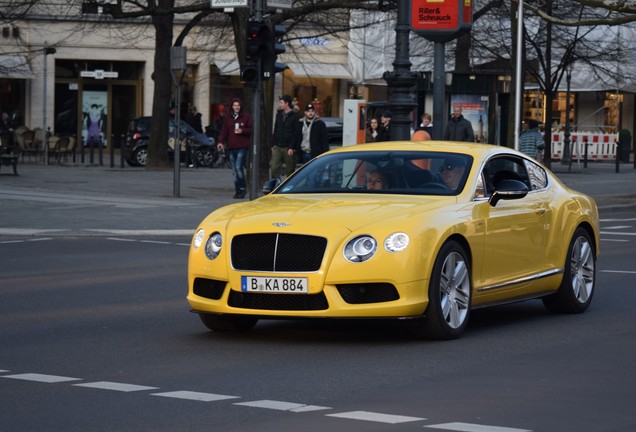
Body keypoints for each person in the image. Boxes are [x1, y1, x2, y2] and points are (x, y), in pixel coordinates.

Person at [217, 98, 253, 199]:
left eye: (238, 105)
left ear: (241, 106)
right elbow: (224, 131)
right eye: (234, 105)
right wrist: (220, 142)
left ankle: (242, 188)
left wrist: (242, 131)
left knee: (238, 167)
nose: (236, 107)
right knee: (234, 171)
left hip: (242, 146)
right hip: (231, 147)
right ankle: (238, 190)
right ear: (232, 107)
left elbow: (250, 129)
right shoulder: (229, 118)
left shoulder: (246, 117)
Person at [271, 95, 299, 179]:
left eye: (281, 102)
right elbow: (276, 129)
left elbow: (296, 133)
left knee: (290, 170)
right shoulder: (279, 114)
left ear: (287, 103)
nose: (280, 104)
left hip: (288, 147)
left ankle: (288, 189)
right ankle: (277, 187)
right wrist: (274, 143)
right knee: (274, 168)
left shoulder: (295, 116)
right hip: (277, 146)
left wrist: (292, 147)